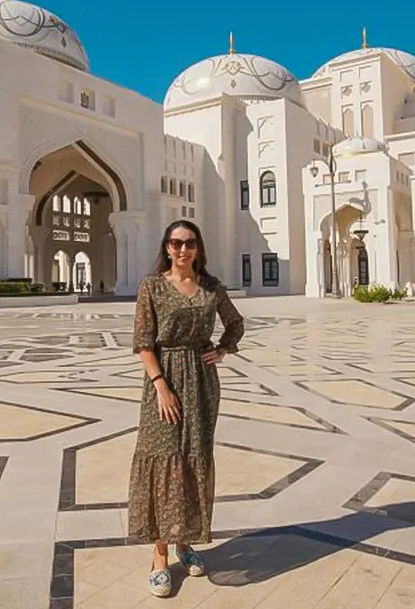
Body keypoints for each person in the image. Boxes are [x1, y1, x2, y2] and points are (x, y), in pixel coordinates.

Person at [127, 219, 244, 597]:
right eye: (175, 243)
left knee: (193, 460)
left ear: (198, 247)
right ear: (166, 247)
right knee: (164, 461)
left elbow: (235, 324)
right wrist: (160, 386)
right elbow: (144, 343)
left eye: (189, 242)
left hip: (202, 383)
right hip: (164, 381)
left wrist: (222, 349)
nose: (182, 249)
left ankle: (184, 543)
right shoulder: (152, 286)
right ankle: (160, 555)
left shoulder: (210, 287)